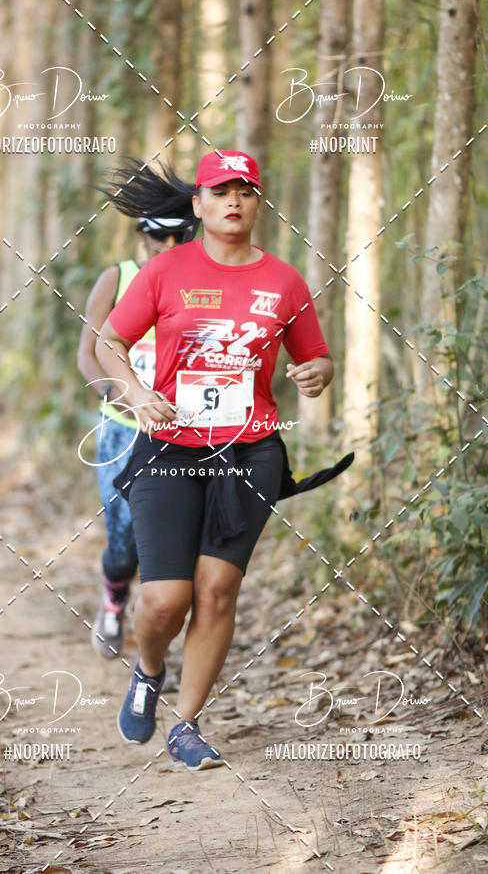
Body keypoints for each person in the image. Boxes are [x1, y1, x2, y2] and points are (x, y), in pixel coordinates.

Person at [95, 150, 353, 770]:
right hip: (170, 446)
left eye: (246, 190)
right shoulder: (165, 271)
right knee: (165, 598)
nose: (234, 200)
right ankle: (149, 669)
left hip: (250, 448)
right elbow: (111, 340)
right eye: (220, 190)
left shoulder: (284, 282)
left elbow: (317, 356)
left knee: (216, 589)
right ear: (198, 204)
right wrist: (134, 391)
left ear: (258, 203)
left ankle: (186, 725)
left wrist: (318, 373)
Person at [77, 215, 192, 658]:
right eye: (159, 235)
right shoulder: (117, 278)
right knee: (124, 544)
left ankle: (158, 639)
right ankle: (113, 599)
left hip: (181, 435)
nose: (169, 243)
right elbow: (89, 354)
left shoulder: (200, 282)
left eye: (180, 235)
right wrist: (116, 394)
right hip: (122, 431)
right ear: (142, 235)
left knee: (166, 543)